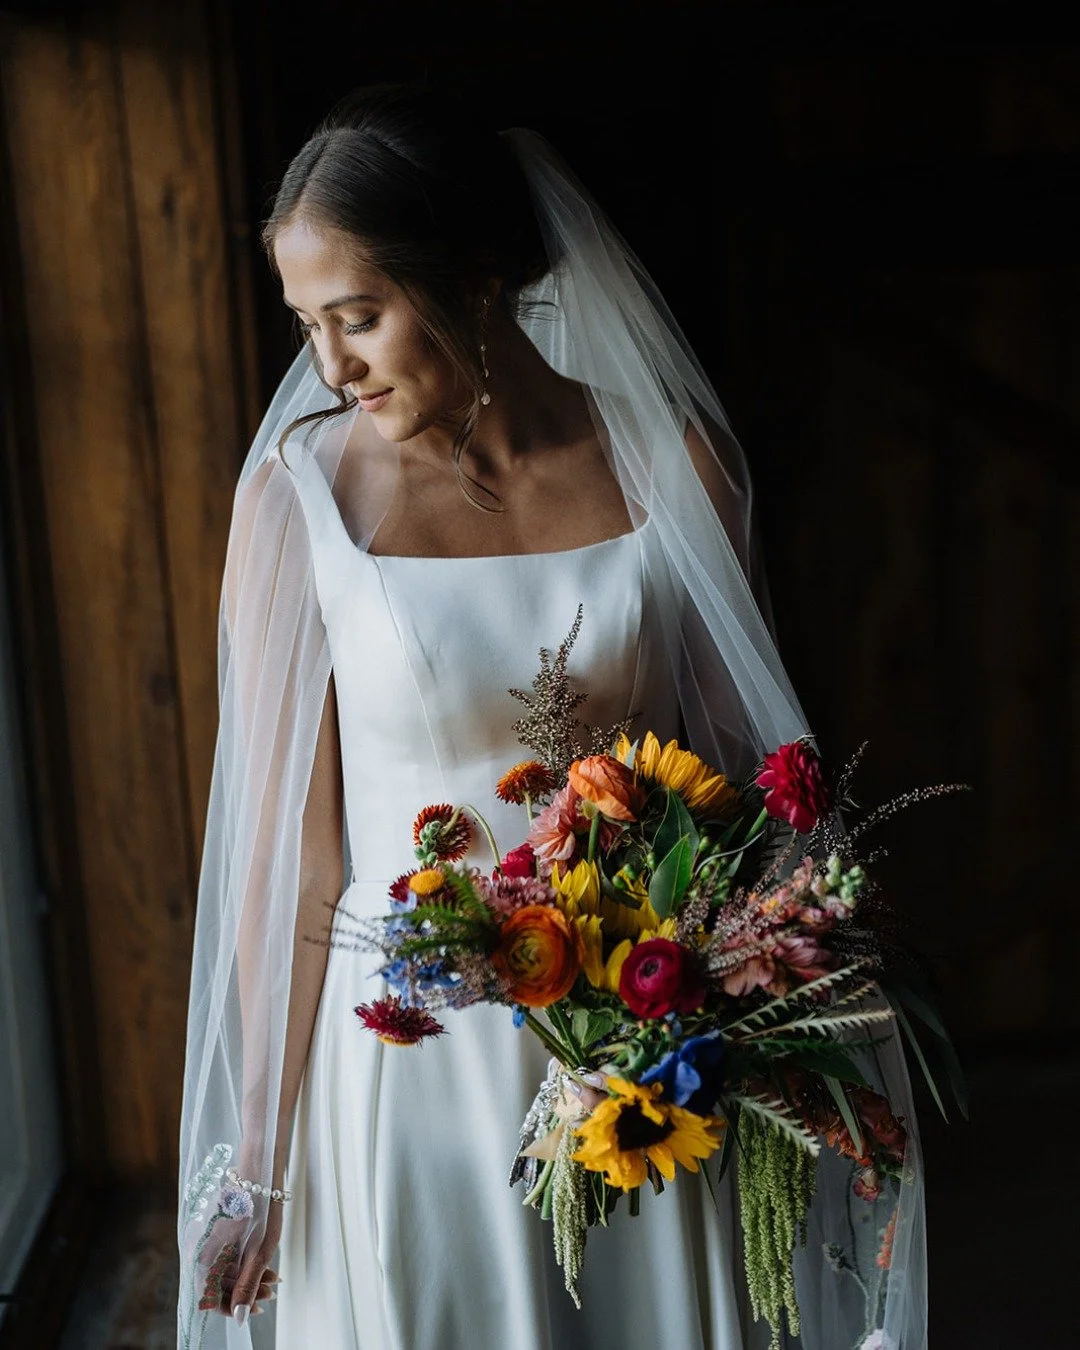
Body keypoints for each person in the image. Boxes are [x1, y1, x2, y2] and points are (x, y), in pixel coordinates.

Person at [177, 84, 926, 1350]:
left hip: (643, 1049)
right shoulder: (296, 502)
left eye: (359, 316)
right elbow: (286, 861)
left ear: (474, 280)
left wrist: (772, 1024)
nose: (330, 366)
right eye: (308, 323)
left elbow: (751, 801)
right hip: (403, 1059)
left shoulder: (674, 465)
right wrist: (257, 1153)